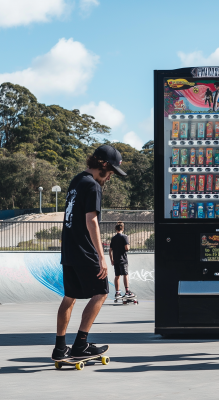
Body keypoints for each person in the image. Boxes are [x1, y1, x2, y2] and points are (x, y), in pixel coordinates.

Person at [52, 145, 127, 361]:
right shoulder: (93, 186)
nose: (110, 177)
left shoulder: (76, 181)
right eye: (111, 171)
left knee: (69, 297)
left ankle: (59, 348)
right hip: (85, 251)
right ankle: (80, 345)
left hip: (69, 250)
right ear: (103, 164)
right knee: (102, 292)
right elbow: (91, 220)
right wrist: (102, 257)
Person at [109, 221, 135, 299]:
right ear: (122, 228)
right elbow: (126, 248)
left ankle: (117, 293)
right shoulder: (124, 237)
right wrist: (128, 246)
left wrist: (112, 260)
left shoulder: (113, 238)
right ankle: (127, 292)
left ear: (116, 229)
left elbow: (110, 250)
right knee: (125, 274)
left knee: (117, 276)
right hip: (123, 259)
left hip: (116, 259)